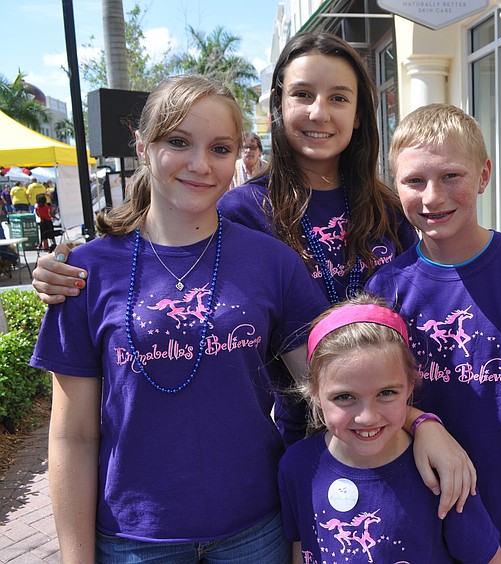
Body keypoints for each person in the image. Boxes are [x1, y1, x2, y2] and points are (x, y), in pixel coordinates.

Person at [30, 33, 476, 517]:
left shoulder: (390, 207)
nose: (319, 112)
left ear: (360, 112)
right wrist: (78, 261)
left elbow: (437, 286)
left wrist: (421, 419)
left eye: (339, 98)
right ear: (278, 105)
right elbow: (170, 232)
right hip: (297, 442)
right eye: (303, 94)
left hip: (395, 427)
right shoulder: (241, 210)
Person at [30, 74, 330, 562]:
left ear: (238, 156)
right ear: (143, 146)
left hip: (256, 530)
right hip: (133, 540)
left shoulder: (270, 261)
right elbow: (73, 435)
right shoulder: (84, 273)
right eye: (178, 142)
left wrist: (417, 426)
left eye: (220, 148)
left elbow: (328, 387)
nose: (200, 164)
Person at [364, 103, 501, 563]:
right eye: (414, 181)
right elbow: (371, 400)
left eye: (450, 176)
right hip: (416, 505)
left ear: (483, 176)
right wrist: (420, 423)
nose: (432, 196)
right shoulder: (385, 288)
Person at [280, 295, 501, 564]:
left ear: (411, 385)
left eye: (386, 393)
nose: (366, 417)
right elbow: (301, 549)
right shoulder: (297, 467)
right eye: (344, 397)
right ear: (315, 393)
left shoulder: (440, 473)